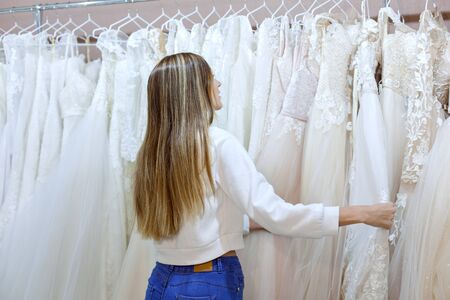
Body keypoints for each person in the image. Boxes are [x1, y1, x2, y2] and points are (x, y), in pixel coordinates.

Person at [134, 52, 395, 300]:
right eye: (211, 77)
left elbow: (193, 218)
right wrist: (363, 214)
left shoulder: (152, 153)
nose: (218, 82)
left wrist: (246, 223)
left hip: (161, 280)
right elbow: (278, 215)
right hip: (207, 282)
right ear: (192, 90)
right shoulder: (217, 145)